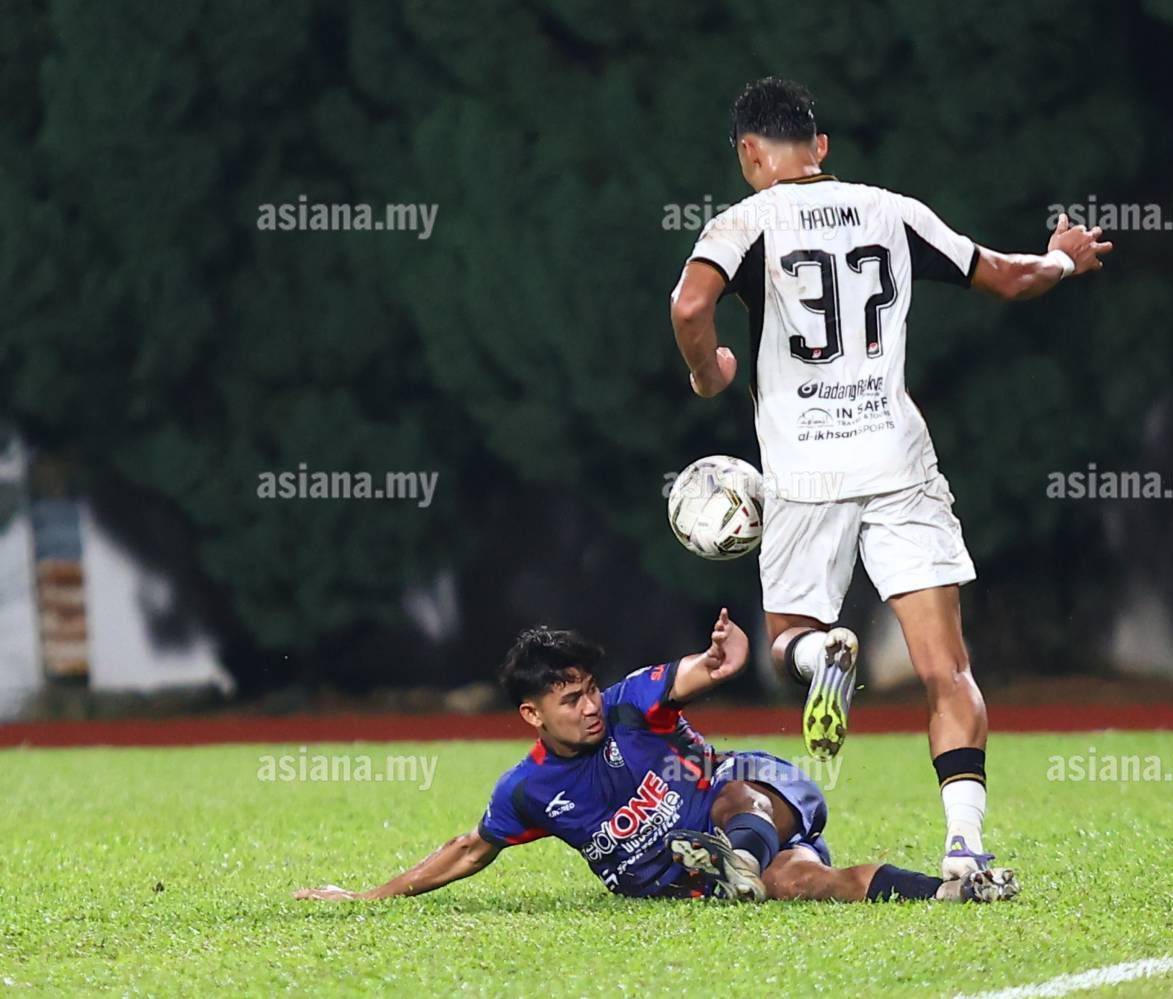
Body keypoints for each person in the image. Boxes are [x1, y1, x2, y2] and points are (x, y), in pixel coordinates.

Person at [669, 77, 1112, 880]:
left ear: (749, 153)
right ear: (821, 146)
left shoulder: (743, 222)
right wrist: (1062, 257)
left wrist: (708, 374)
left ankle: (821, 656)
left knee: (786, 640)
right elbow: (1008, 276)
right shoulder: (892, 211)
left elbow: (689, 306)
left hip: (806, 471)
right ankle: (965, 850)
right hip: (898, 463)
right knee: (948, 669)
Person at [293, 611, 1018, 905]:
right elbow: (469, 848)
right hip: (692, 879)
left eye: (588, 689)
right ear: (532, 715)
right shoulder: (529, 789)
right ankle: (950, 893)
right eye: (569, 698)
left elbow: (693, 673)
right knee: (807, 882)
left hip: (749, 797)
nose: (588, 705)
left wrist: (721, 657)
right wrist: (367, 898)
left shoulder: (630, 704)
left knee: (734, 793)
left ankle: (736, 861)